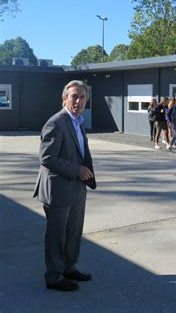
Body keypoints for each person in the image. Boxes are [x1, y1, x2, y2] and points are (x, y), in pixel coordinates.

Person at [33, 80, 96, 292]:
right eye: (74, 96)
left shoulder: (78, 121)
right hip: (58, 189)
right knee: (56, 236)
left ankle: (69, 268)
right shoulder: (56, 122)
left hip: (77, 188)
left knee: (73, 233)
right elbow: (47, 158)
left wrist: (84, 174)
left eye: (82, 97)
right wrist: (76, 170)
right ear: (64, 99)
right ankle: (53, 276)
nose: (78, 101)